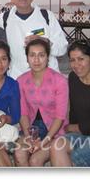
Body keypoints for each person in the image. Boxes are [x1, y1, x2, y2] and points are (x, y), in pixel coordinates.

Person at [14, 39, 68, 167]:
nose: (36, 60)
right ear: (27, 58)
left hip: (54, 131)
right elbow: (23, 113)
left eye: (41, 55)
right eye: (32, 55)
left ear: (48, 57)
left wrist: (44, 142)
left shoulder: (59, 81)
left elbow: (60, 117)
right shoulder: (21, 81)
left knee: (35, 160)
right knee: (19, 153)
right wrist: (29, 138)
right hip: (31, 129)